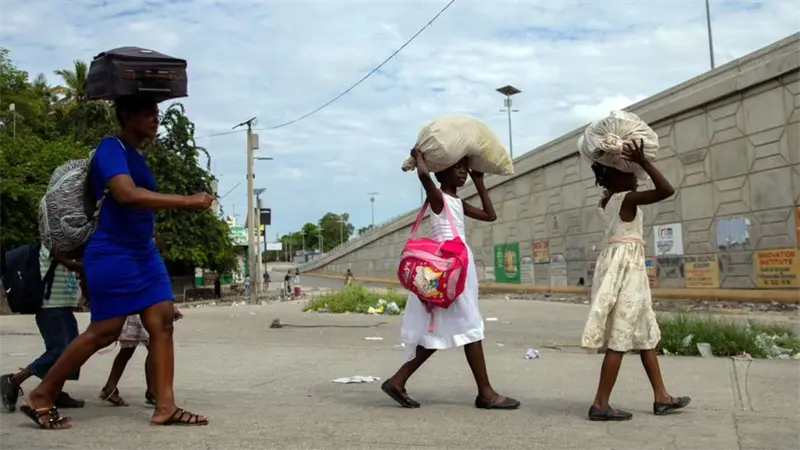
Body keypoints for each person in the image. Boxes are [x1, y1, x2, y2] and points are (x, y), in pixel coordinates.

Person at [18, 94, 214, 429]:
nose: (156, 118)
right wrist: (187, 200)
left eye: (157, 112)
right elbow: (125, 194)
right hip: (113, 252)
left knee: (162, 323)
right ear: (127, 115)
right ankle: (42, 393)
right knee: (104, 332)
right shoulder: (112, 148)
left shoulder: (136, 154)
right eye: (148, 113)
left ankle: (165, 406)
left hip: (143, 254)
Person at [381, 148, 519, 410]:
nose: (463, 172)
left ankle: (398, 381)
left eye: (465, 168)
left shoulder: (456, 202)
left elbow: (490, 216)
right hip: (447, 267)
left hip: (457, 266)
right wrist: (419, 157)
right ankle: (486, 394)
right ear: (442, 170)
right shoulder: (438, 197)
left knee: (451, 328)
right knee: (470, 325)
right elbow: (423, 176)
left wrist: (479, 182)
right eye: (457, 167)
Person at [580, 139, 690, 421]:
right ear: (617, 176)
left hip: (624, 268)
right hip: (626, 271)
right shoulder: (625, 198)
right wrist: (644, 161)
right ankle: (600, 404)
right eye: (631, 172)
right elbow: (667, 190)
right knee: (621, 335)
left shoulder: (607, 200)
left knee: (645, 334)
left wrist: (633, 164)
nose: (637, 178)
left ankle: (661, 397)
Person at [0, 246, 85, 413]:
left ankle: (54, 391)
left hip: (64, 305)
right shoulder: (52, 247)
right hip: (49, 307)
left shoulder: (72, 248)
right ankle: (14, 380)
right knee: (58, 351)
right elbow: (70, 260)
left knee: (74, 351)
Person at [99, 307, 183, 407]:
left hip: (134, 309)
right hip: (144, 309)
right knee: (154, 347)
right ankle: (152, 392)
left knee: (128, 350)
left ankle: (110, 387)